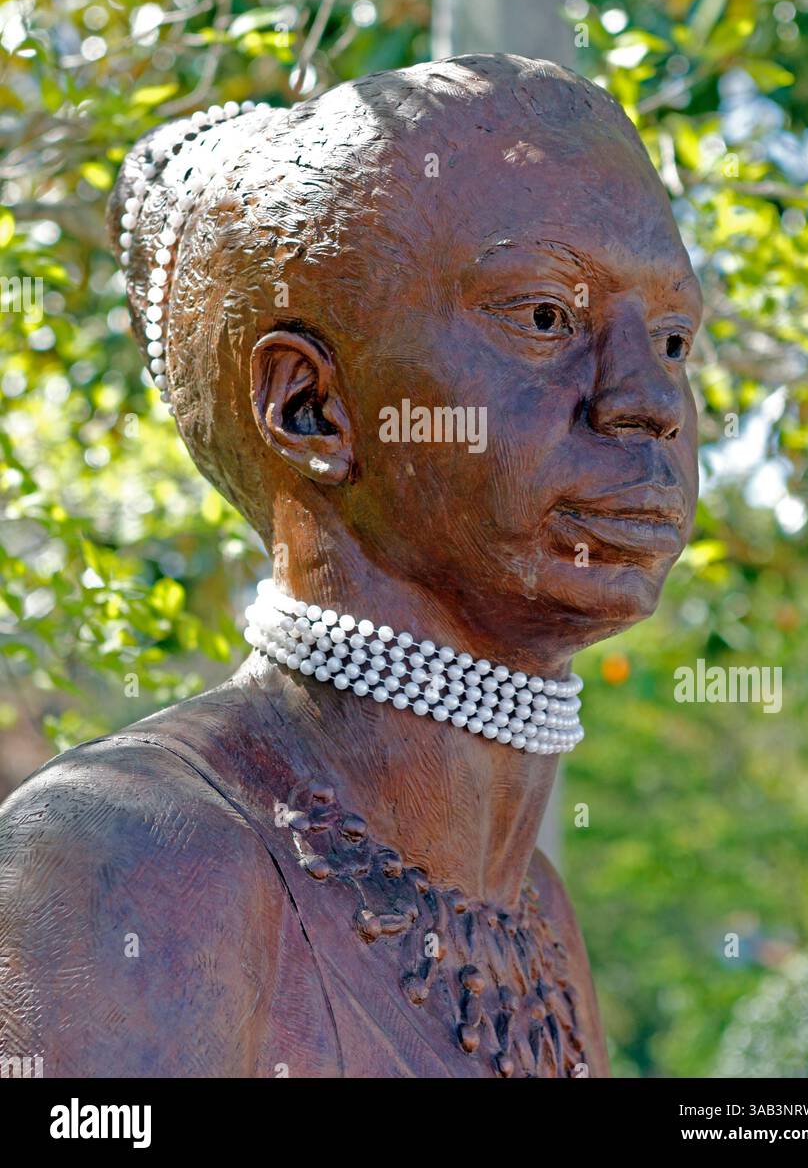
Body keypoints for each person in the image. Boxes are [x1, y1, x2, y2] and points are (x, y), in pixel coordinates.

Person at [0, 55, 701, 1077]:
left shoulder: (531, 911)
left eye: (675, 339)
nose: (644, 401)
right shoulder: (129, 861)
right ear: (309, 408)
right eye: (544, 317)